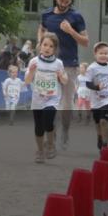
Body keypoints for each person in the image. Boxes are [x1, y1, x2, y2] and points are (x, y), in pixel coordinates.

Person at [38, 0, 89, 149]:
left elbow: (85, 42)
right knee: (49, 103)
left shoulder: (76, 17)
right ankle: (50, 137)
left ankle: (65, 131)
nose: (63, 0)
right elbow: (41, 29)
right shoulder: (46, 15)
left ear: (70, 0)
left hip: (68, 65)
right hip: (48, 66)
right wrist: (40, 45)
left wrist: (70, 31)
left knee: (66, 105)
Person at [24, 33, 68, 163]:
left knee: (48, 119)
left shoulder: (58, 63)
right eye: (45, 45)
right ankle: (40, 151)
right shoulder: (34, 61)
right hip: (38, 98)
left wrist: (61, 76)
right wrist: (31, 72)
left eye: (51, 46)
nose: (47, 48)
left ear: (55, 49)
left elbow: (65, 81)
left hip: (52, 98)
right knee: (39, 126)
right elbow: (27, 81)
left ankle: (50, 144)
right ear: (40, 46)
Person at [85, 42, 108, 150]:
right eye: (101, 53)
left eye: (106, 53)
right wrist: (97, 87)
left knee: (103, 121)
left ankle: (105, 145)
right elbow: (87, 83)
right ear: (95, 54)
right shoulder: (91, 68)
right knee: (97, 122)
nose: (103, 55)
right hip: (96, 100)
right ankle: (99, 136)